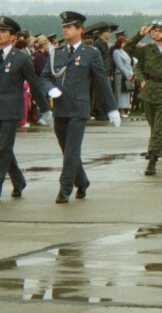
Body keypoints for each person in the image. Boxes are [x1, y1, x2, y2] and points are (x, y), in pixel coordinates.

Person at [40, 11, 120, 202]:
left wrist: (112, 108)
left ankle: (65, 188)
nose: (65, 31)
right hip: (60, 108)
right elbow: (44, 77)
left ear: (80, 30)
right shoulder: (56, 53)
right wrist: (50, 89)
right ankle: (82, 180)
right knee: (65, 148)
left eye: (69, 27)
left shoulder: (90, 53)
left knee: (71, 150)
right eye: (64, 27)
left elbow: (101, 82)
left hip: (78, 108)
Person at [0, 16, 51, 202]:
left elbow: (34, 84)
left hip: (10, 110)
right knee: (1, 149)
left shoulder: (21, 58)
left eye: (4, 32)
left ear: (13, 37)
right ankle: (18, 180)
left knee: (3, 149)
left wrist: (46, 110)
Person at [126, 19, 162, 174]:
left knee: (159, 129)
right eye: (153, 30)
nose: (154, 33)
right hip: (150, 91)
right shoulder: (147, 49)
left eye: (159, 31)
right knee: (155, 128)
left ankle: (152, 160)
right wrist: (141, 34)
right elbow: (128, 48)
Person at [111, 33, 134, 117]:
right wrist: (126, 74)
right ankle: (120, 109)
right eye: (123, 42)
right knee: (119, 93)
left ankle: (125, 108)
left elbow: (129, 62)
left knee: (126, 92)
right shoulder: (116, 52)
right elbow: (119, 65)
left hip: (128, 74)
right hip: (120, 74)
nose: (124, 44)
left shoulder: (124, 52)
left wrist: (131, 73)